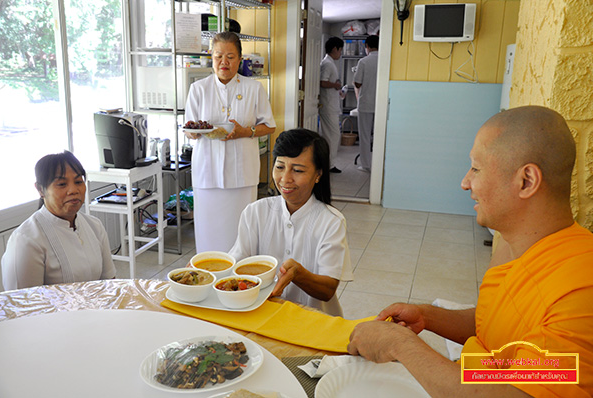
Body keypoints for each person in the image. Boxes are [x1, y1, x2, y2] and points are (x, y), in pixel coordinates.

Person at [347, 106, 593, 397]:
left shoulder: (580, 290)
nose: (466, 183)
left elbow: (519, 393)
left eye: (476, 168)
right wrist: (428, 317)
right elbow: (495, 328)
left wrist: (400, 345)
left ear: (526, 181)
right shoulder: (513, 246)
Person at [229, 128, 354, 316]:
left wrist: (298, 274)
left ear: (318, 174)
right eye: (280, 167)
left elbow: (327, 290)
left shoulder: (331, 221)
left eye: (297, 170)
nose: (285, 179)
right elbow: (236, 264)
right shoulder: (255, 212)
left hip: (314, 320)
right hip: (263, 314)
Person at [184, 31, 276, 253]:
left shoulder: (254, 88)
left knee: (241, 234)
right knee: (208, 234)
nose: (223, 62)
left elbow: (269, 126)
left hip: (241, 174)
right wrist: (195, 132)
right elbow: (189, 129)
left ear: (240, 58)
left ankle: (240, 281)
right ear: (211, 57)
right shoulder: (199, 89)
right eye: (218, 56)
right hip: (207, 173)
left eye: (230, 56)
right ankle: (208, 277)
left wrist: (247, 131)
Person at [1, 151, 116, 290]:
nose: (73, 190)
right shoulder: (26, 240)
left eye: (79, 181)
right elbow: (23, 305)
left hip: (97, 310)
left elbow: (110, 283)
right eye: (62, 184)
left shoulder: (94, 226)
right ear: (40, 190)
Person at [319, 36, 344, 174]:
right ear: (335, 49)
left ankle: (329, 163)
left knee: (332, 135)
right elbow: (323, 82)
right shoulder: (327, 63)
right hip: (328, 106)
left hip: (331, 104)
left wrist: (337, 88)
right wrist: (336, 85)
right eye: (340, 50)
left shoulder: (329, 62)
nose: (340, 54)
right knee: (332, 136)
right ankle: (328, 165)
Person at [353, 35, 378, 172]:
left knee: (364, 135)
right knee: (380, 135)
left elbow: (357, 83)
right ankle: (379, 164)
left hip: (365, 103)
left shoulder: (363, 61)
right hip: (381, 105)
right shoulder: (386, 59)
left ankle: (366, 165)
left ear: (367, 46)